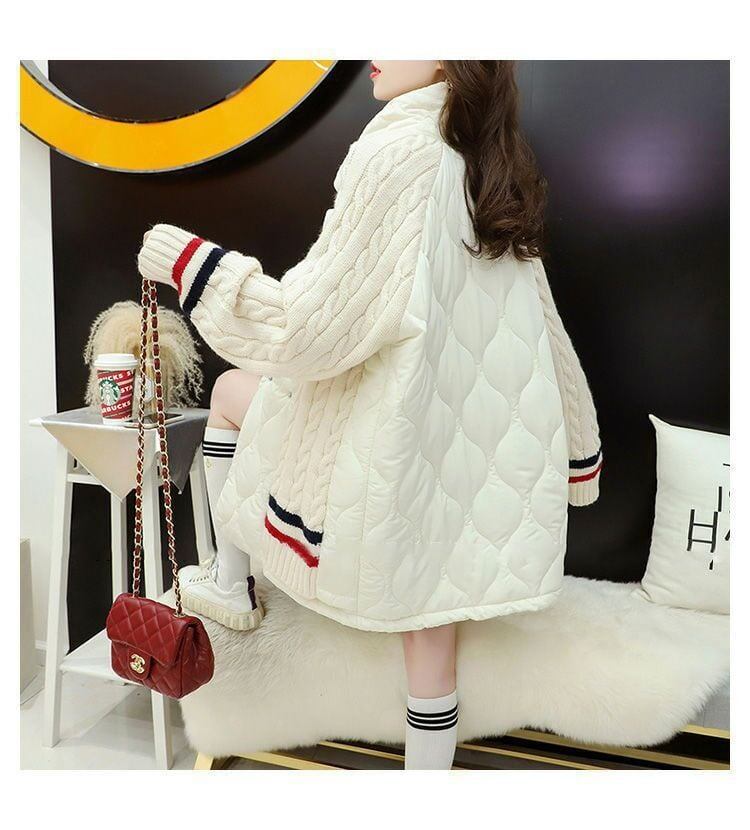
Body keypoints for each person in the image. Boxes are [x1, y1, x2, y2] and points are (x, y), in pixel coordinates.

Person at [137, 60, 603, 770]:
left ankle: (232, 583)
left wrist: (190, 263)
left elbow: (308, 325)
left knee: (230, 392)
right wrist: (574, 441)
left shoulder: (399, 150)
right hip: (465, 447)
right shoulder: (484, 158)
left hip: (385, 431)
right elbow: (541, 320)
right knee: (431, 621)